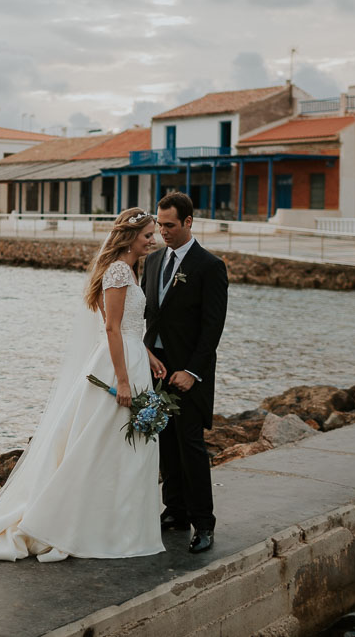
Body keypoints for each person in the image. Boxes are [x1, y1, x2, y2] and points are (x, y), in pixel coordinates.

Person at [0, 208, 168, 562]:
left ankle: (118, 523)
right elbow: (110, 328)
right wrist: (122, 380)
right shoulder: (119, 269)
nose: (153, 241)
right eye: (147, 235)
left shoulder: (132, 269)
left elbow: (128, 328)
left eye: (153, 234)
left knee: (123, 446)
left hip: (133, 359)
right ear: (130, 237)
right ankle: (88, 524)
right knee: (102, 444)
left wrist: (147, 356)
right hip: (116, 367)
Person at [142, 192, 228, 553]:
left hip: (190, 370)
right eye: (160, 225)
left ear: (189, 222)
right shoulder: (153, 261)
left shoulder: (210, 266)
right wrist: (145, 355)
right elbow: (149, 315)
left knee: (191, 446)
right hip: (154, 366)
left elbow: (213, 327)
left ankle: (203, 523)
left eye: (170, 226)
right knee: (164, 442)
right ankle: (174, 510)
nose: (163, 232)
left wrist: (191, 371)